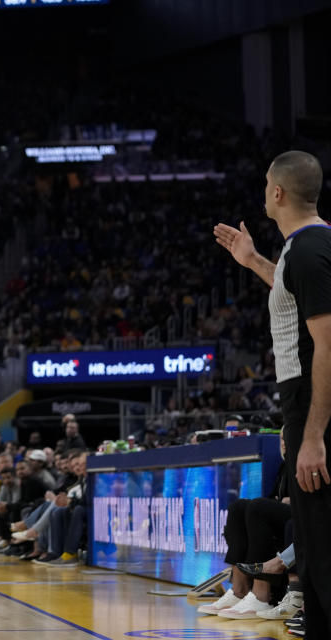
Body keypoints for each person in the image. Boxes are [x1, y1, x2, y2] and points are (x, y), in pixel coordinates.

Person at [213, 150, 331, 636]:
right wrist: (252, 259)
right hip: (302, 406)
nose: (264, 191)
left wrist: (313, 434)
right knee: (313, 544)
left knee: (321, 548)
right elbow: (291, 294)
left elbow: (327, 343)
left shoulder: (307, 250)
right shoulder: (302, 249)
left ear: (278, 192)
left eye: (266, 184)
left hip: (313, 407)